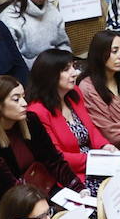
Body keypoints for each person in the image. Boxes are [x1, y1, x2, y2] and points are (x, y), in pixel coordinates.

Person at [0, 75, 82, 195]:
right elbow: (8, 187)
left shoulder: (30, 121)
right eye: (16, 99)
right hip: (18, 202)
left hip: (45, 188)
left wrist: (79, 188)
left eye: (23, 97)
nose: (24, 103)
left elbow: (53, 160)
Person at [25, 50, 114, 182]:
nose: (74, 73)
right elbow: (57, 156)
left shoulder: (74, 94)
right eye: (66, 70)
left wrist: (105, 147)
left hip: (96, 163)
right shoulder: (37, 111)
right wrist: (96, 160)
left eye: (74, 66)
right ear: (50, 75)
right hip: (72, 175)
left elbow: (91, 129)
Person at [0, 0, 70, 68]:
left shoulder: (52, 10)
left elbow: (64, 44)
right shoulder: (9, 19)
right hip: (32, 75)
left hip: (58, 69)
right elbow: (16, 62)